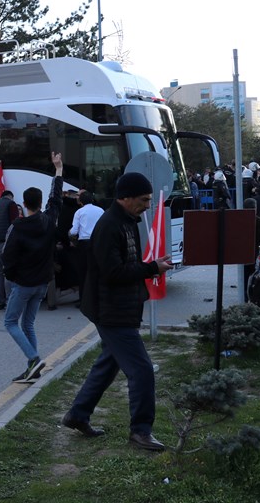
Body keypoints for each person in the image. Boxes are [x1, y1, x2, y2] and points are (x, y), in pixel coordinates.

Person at [62, 172, 174, 452]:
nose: (148, 205)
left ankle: (77, 415)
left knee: (108, 364)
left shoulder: (126, 221)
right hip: (111, 312)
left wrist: (150, 267)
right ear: (126, 197)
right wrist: (152, 268)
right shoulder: (110, 226)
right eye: (144, 200)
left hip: (121, 307)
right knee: (142, 370)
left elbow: (126, 265)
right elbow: (113, 273)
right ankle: (141, 431)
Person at [1, 152, 63, 383]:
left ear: (24, 204)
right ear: (40, 203)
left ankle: (34, 358)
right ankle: (32, 367)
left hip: (24, 283)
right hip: (43, 282)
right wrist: (58, 170)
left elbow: (8, 258)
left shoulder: (19, 227)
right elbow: (56, 198)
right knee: (28, 323)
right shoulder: (49, 220)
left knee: (10, 322)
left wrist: (12, 277)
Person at [69, 190, 105, 300]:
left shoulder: (79, 212)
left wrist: (69, 234)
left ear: (81, 201)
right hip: (98, 242)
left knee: (83, 272)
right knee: (97, 270)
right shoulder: (100, 210)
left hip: (84, 244)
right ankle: (98, 297)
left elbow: (74, 231)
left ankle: (84, 299)